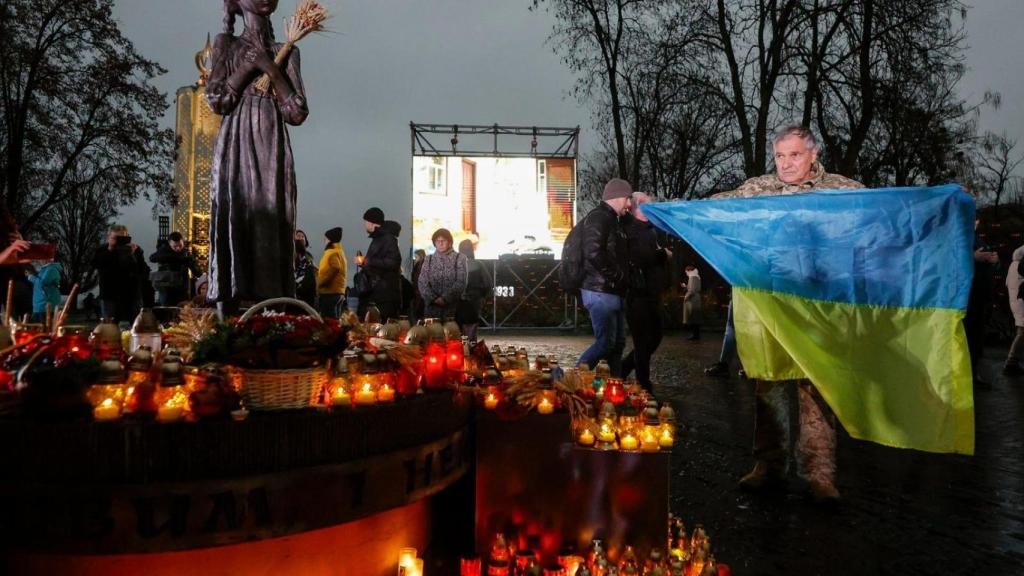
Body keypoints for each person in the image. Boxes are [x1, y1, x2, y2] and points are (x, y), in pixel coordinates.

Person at [713, 125, 864, 502]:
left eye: (795, 155)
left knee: (818, 390)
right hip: (772, 306)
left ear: (813, 155)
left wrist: (941, 201)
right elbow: (710, 209)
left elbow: (891, 209)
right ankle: (769, 465)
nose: (786, 164)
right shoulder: (758, 189)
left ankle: (819, 475)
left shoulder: (843, 191)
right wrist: (658, 209)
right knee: (769, 384)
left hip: (820, 308)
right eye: (780, 156)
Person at [206, 0, 309, 315]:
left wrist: (270, 68)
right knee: (237, 211)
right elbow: (218, 99)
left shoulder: (287, 50)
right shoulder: (228, 44)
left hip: (270, 145)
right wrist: (248, 67)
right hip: (236, 144)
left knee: (269, 214)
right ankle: (231, 303)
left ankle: (272, 308)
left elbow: (297, 111)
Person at [577, 178, 632, 374]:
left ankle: (614, 387)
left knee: (616, 343)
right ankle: (571, 380)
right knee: (606, 343)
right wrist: (617, 276)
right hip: (600, 291)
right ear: (618, 197)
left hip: (609, 291)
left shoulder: (610, 219)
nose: (630, 204)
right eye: (628, 198)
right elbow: (593, 252)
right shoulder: (599, 218)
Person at [620, 192, 671, 391]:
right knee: (642, 340)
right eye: (646, 206)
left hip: (651, 293)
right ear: (636, 208)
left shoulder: (650, 229)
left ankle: (625, 368)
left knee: (655, 336)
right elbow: (641, 257)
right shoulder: (632, 229)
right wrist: (663, 254)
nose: (651, 209)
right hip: (638, 294)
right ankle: (643, 382)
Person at [965, 218, 999, 388]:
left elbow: (992, 265)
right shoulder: (960, 237)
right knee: (969, 337)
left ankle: (973, 372)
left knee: (977, 338)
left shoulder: (977, 239)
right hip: (968, 297)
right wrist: (973, 257)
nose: (976, 222)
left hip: (980, 296)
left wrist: (994, 260)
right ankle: (968, 375)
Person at [92, 224, 150, 324]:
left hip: (132, 295)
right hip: (110, 295)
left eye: (122, 238)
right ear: (109, 237)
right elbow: (97, 264)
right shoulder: (102, 250)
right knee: (109, 328)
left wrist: (132, 255)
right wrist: (110, 249)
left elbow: (142, 270)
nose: (119, 241)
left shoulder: (136, 250)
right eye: (116, 238)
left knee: (135, 326)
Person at [357, 207, 402, 321]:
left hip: (384, 295)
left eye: (365, 222)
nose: (364, 225)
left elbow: (394, 262)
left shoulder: (387, 238)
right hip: (378, 293)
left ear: (372, 223)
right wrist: (364, 263)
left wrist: (368, 261)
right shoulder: (379, 238)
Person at [418, 228, 467, 321]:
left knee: (451, 334)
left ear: (449, 242)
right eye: (437, 241)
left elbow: (461, 282)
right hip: (431, 309)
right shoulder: (429, 259)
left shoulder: (459, 258)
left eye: (443, 240)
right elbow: (422, 282)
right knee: (432, 334)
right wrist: (434, 298)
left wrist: (445, 298)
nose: (440, 243)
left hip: (452, 308)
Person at [149, 232, 202, 306]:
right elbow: (152, 258)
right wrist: (177, 258)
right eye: (175, 246)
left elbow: (198, 272)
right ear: (169, 244)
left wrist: (190, 262)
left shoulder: (186, 254)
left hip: (182, 289)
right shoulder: (163, 251)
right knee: (167, 311)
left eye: (180, 245)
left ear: (183, 242)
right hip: (167, 289)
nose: (178, 248)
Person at [456, 239, 492, 341]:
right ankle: (470, 350)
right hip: (475, 301)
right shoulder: (479, 265)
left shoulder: (455, 265)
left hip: (458, 303)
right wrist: (480, 295)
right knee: (471, 329)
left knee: (457, 329)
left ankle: (459, 351)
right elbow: (488, 284)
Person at [316, 227, 346, 318]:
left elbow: (336, 267)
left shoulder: (331, 252)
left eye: (325, 239)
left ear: (330, 240)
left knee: (329, 321)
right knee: (335, 321)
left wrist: (322, 282)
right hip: (339, 292)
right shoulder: (340, 252)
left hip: (330, 292)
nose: (324, 241)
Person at [1004, 245, 1024, 376]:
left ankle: (1013, 361)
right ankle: (1011, 361)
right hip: (1021, 302)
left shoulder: (1013, 265)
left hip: (1017, 302)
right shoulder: (1019, 266)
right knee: (1022, 331)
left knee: (1021, 330)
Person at [30, 258, 62, 323]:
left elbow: (43, 282)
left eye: (42, 258)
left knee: (44, 329)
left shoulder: (51, 269)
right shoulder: (44, 269)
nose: (39, 260)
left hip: (45, 306)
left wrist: (31, 277)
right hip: (39, 306)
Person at [294, 229, 318, 309]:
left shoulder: (309, 257)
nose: (300, 238)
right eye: (298, 236)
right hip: (294, 293)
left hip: (306, 294)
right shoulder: (290, 255)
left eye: (302, 236)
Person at [681, 266, 702, 340]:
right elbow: (692, 288)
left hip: (693, 300)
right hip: (695, 298)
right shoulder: (696, 277)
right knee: (694, 317)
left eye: (686, 272)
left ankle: (695, 335)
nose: (686, 273)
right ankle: (695, 335)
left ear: (689, 270)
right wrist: (686, 286)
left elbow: (692, 290)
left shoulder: (693, 277)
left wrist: (686, 297)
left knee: (693, 316)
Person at [411, 249, 426, 322]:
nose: (415, 259)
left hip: (419, 293)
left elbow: (416, 279)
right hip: (419, 293)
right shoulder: (419, 265)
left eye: (416, 257)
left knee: (419, 313)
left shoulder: (420, 266)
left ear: (421, 256)